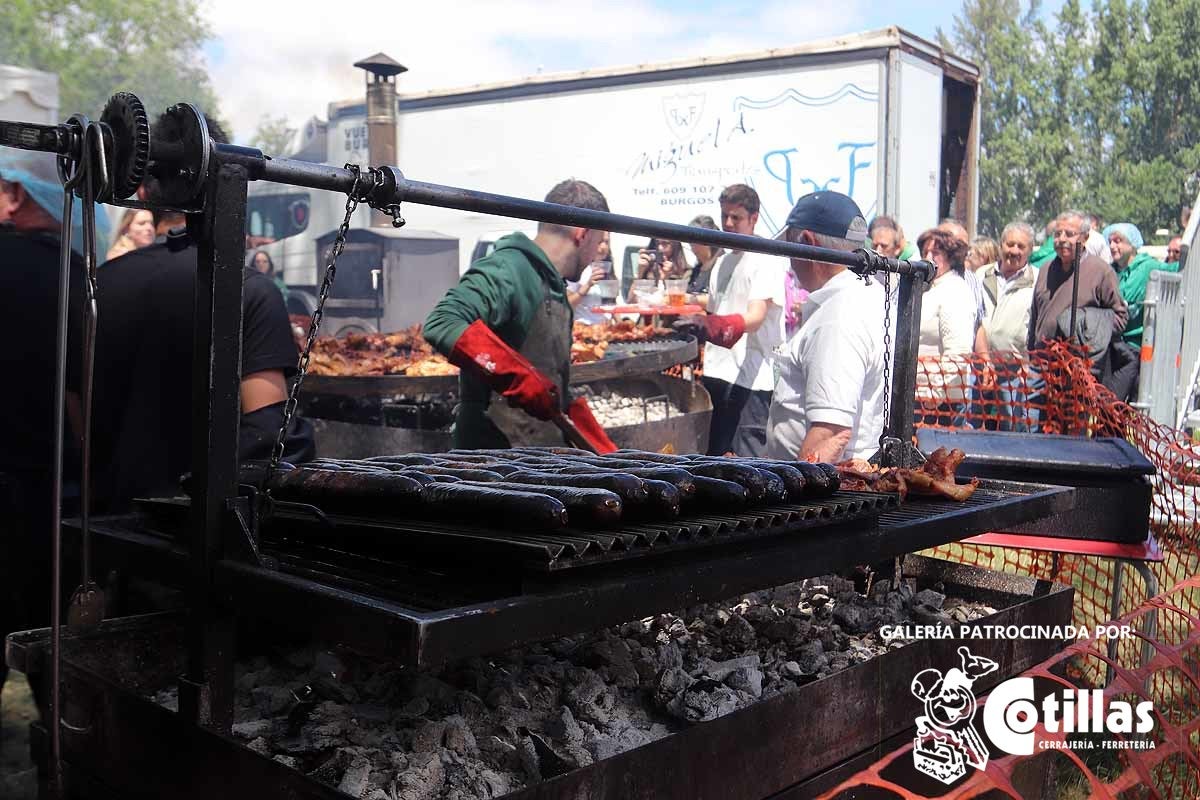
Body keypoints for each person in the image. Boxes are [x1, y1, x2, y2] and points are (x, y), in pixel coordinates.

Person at [86, 113, 315, 511]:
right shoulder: (249, 291)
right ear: (228, 181)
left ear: (142, 193)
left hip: (109, 526)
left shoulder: (97, 284)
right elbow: (267, 434)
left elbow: (78, 421)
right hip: (193, 536)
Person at [0, 148, 96, 708]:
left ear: (17, 196)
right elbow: (80, 396)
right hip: (42, 490)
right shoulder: (71, 272)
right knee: (47, 646)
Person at [424, 179, 616, 450]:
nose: (599, 251)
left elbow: (549, 380)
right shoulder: (508, 268)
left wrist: (599, 444)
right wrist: (519, 378)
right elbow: (443, 321)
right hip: (493, 467)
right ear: (582, 233)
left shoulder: (555, 288)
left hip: (539, 459)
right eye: (599, 240)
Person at [766, 191, 885, 462]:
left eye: (789, 248)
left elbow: (831, 434)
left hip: (823, 493)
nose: (790, 261)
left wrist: (798, 501)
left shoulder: (837, 316)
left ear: (807, 242)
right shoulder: (864, 295)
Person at [684, 183, 787, 456]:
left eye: (736, 217)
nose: (728, 224)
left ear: (754, 218)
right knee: (715, 459)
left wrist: (714, 325)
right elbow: (718, 310)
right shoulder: (721, 262)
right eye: (724, 216)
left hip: (752, 378)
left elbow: (755, 317)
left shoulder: (765, 257)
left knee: (749, 463)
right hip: (718, 372)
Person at [1027, 210, 1127, 356]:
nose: (1061, 239)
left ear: (1085, 237)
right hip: (1042, 365)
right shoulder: (1045, 269)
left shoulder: (1101, 272)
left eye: (1069, 234)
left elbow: (1120, 318)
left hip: (1078, 367)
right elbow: (1035, 317)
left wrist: (1087, 328)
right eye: (1057, 234)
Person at [975, 223, 1037, 430]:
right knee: (972, 424)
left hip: (1014, 370)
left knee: (1012, 427)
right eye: (1010, 244)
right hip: (979, 365)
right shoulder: (981, 275)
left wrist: (1027, 362)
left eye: (1021, 246)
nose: (1014, 251)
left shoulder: (1037, 281)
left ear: (1030, 250)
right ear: (1001, 245)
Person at [915, 228, 976, 425]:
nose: (928, 257)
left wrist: (937, 394)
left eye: (936, 253)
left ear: (950, 258)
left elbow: (958, 351)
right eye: (925, 252)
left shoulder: (955, 291)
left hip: (940, 402)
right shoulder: (928, 287)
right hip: (918, 395)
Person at [1106, 223, 1165, 401]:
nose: (1112, 246)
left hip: (1135, 345)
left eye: (1118, 241)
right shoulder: (1110, 271)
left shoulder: (1148, 266)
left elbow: (1176, 270)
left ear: (1132, 244)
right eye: (1110, 241)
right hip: (1112, 342)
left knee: (1126, 401)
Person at [938, 219, 989, 355]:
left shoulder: (973, 280)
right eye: (956, 246)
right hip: (931, 368)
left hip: (964, 368)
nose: (962, 252)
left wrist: (985, 360)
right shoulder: (924, 280)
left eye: (964, 247)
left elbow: (977, 325)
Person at [566, 231, 612, 325]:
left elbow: (611, 306)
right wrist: (587, 285)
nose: (603, 247)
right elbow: (566, 305)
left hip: (603, 329)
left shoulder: (608, 270)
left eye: (606, 242)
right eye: (599, 242)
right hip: (582, 329)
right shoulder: (578, 268)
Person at [684, 214, 723, 300]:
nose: (690, 245)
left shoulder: (722, 265)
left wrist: (689, 299)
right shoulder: (697, 270)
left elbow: (720, 299)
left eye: (693, 240)